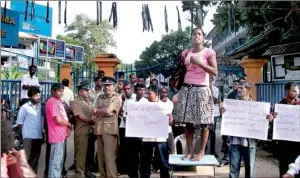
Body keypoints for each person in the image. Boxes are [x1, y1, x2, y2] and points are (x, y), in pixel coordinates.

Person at [173, 27, 218, 161]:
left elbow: (215, 71)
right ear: (191, 37)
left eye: (199, 34)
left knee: (205, 123)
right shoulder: (186, 52)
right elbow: (181, 72)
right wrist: (179, 91)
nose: (196, 36)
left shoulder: (209, 52)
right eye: (194, 34)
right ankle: (190, 151)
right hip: (187, 89)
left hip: (202, 89)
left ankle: (202, 151)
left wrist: (199, 63)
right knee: (188, 123)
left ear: (203, 37)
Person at [221, 81, 276, 178]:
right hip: (235, 141)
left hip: (250, 143)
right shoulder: (232, 105)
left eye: (241, 88)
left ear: (248, 90)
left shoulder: (257, 107)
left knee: (250, 169)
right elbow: (226, 120)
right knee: (233, 169)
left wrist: (268, 119)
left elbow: (263, 123)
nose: (238, 89)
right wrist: (223, 112)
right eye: (238, 87)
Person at [140, 85, 173, 178]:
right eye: (146, 93)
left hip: (160, 138)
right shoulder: (143, 106)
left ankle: (165, 176)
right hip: (147, 138)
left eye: (149, 93)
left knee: (163, 160)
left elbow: (170, 120)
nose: (147, 95)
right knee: (145, 160)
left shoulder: (164, 105)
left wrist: (170, 120)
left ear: (156, 94)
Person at [92, 77, 122, 178]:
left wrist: (96, 112)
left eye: (109, 85)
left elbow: (108, 111)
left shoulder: (116, 98)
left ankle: (112, 176)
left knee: (110, 157)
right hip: (99, 129)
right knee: (101, 157)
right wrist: (96, 111)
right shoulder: (100, 97)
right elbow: (94, 109)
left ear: (114, 87)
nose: (107, 87)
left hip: (110, 130)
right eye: (105, 85)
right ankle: (103, 175)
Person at [46, 83, 72, 178]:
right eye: (59, 91)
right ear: (52, 91)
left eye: (62, 91)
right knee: (55, 161)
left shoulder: (58, 101)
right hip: (56, 135)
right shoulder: (52, 102)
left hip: (60, 135)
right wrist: (69, 124)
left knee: (58, 161)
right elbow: (58, 120)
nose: (61, 93)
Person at [71, 81, 96, 178]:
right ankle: (79, 173)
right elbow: (81, 116)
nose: (87, 92)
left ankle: (87, 172)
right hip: (81, 131)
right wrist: (93, 122)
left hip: (90, 131)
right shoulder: (75, 102)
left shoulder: (89, 101)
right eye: (85, 90)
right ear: (80, 92)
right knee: (80, 154)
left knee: (89, 154)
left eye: (88, 90)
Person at [16, 87, 43, 173]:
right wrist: (25, 133)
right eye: (35, 96)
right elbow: (20, 123)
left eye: (39, 95)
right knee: (27, 158)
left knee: (36, 158)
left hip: (38, 136)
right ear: (30, 97)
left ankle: (33, 174)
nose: (38, 97)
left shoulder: (41, 107)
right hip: (28, 137)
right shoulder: (24, 107)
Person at [276, 82, 300, 178]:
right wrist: (273, 117)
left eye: (297, 90)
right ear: (287, 91)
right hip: (284, 144)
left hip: (298, 143)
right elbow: (275, 124)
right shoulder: (279, 105)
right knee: (284, 168)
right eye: (294, 91)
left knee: (297, 168)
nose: (297, 93)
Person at [117, 81, 136, 175]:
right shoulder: (123, 99)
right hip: (123, 127)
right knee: (123, 149)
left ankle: (132, 170)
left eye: (129, 89)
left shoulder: (136, 99)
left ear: (132, 89)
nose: (127, 91)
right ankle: (123, 169)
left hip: (134, 128)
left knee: (133, 150)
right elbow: (122, 114)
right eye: (125, 89)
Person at [206, 75, 221, 157]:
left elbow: (216, 101)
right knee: (205, 131)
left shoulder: (216, 89)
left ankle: (212, 152)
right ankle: (204, 150)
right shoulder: (204, 88)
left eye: (211, 78)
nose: (209, 80)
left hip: (214, 113)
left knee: (213, 133)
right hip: (205, 114)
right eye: (208, 78)